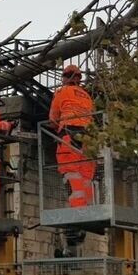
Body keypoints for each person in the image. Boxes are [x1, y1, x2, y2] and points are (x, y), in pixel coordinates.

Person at [47, 64, 96, 207]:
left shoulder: (62, 92)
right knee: (86, 175)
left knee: (70, 171)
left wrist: (55, 125)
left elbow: (53, 118)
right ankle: (88, 207)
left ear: (66, 78)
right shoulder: (87, 96)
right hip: (88, 138)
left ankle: (77, 208)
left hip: (69, 134)